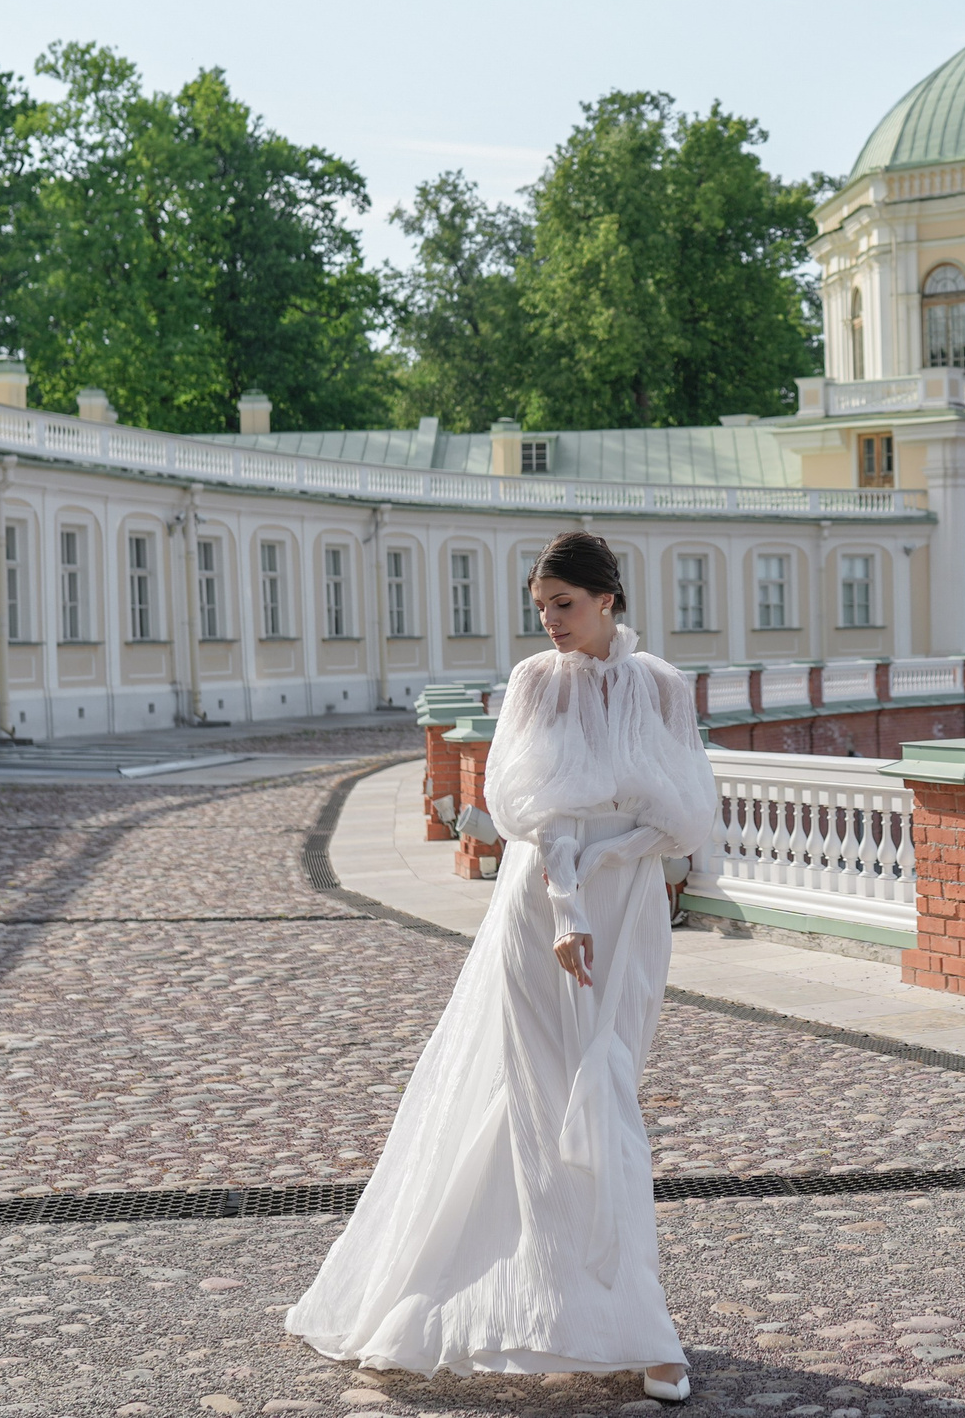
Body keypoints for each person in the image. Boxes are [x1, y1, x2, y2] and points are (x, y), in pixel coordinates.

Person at [286, 532, 714, 1400]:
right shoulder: (533, 683)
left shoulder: (664, 686)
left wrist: (613, 859)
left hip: (629, 906)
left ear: (606, 598)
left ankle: (598, 1308)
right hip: (544, 905)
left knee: (609, 1087)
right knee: (549, 1099)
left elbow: (687, 814)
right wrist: (567, 905)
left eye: (564, 603)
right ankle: (638, 1329)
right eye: (541, 606)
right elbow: (525, 809)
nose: (550, 620)